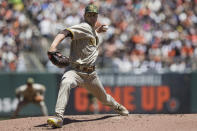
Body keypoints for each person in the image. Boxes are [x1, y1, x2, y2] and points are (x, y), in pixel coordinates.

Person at [47, 4, 129, 128]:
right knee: (66, 82)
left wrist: (97, 32)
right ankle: (58, 117)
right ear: (85, 16)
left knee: (104, 99)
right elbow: (65, 32)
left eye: (94, 15)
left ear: (97, 16)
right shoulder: (84, 26)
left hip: (91, 75)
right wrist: (53, 46)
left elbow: (88, 38)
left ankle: (117, 107)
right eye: (89, 15)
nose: (92, 17)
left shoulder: (90, 30)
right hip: (75, 71)